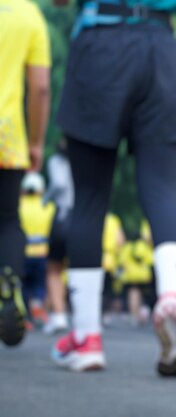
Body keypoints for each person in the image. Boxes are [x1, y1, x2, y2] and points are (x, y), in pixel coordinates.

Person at [51, 0, 176, 375]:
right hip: (162, 49)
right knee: (162, 190)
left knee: (89, 199)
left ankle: (87, 338)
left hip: (101, 43)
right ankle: (170, 298)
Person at [0, 0, 51, 347]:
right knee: (6, 220)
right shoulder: (28, 13)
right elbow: (40, 87)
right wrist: (36, 141)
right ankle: (8, 285)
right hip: (7, 138)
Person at [43, 138, 74, 335]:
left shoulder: (57, 161)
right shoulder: (87, 160)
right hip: (85, 216)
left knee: (54, 268)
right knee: (79, 268)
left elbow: (59, 183)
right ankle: (86, 318)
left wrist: (45, 199)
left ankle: (59, 316)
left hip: (64, 216)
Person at [19, 173, 55, 327]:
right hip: (42, 251)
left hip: (22, 252)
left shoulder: (18, 205)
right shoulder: (48, 206)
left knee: (24, 285)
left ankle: (25, 317)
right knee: (39, 284)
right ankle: (37, 305)